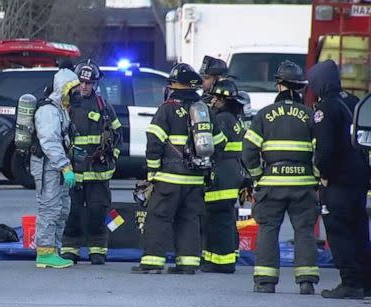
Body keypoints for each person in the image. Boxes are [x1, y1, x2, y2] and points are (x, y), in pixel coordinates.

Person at [131, 63, 227, 274]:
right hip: (195, 178)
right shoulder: (205, 110)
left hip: (169, 178)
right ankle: (188, 264)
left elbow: (154, 141)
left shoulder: (168, 108)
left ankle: (152, 263)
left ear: (176, 85)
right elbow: (220, 143)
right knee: (189, 219)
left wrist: (152, 173)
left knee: (158, 217)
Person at [242, 60, 319, 294]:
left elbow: (248, 151)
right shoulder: (310, 115)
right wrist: (315, 177)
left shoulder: (264, 115)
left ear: (279, 85)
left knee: (268, 229)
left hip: (271, 184)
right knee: (304, 230)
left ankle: (265, 282)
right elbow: (321, 151)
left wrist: (257, 177)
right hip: (303, 184)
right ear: (300, 88)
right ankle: (306, 281)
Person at [307, 59, 371, 299]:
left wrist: (322, 175)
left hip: (338, 180)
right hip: (360, 176)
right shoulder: (353, 101)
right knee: (359, 229)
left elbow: (324, 150)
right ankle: (366, 282)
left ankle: (350, 283)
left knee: (338, 230)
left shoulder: (325, 109)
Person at [61, 59, 122, 265]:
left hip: (98, 173)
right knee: (72, 211)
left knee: (98, 211)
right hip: (73, 173)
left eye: (89, 83)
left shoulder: (103, 106)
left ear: (95, 84)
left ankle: (98, 249)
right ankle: (71, 248)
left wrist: (109, 157)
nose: (85, 86)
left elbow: (117, 134)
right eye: (81, 82)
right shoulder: (66, 107)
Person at [30, 67, 80, 269]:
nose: (76, 94)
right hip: (47, 165)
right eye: (72, 90)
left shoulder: (59, 109)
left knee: (61, 207)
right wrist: (64, 166)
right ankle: (45, 252)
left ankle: (53, 249)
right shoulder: (48, 111)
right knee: (49, 208)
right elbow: (49, 141)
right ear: (63, 89)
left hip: (56, 166)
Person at [201, 79, 246, 273]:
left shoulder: (222, 119)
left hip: (221, 173)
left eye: (215, 99)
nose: (212, 102)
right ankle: (216, 259)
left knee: (218, 218)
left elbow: (216, 146)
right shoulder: (236, 119)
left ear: (223, 100)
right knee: (225, 217)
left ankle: (223, 262)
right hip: (232, 171)